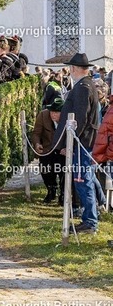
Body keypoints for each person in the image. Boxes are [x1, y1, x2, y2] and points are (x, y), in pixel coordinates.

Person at [53, 53, 104, 233]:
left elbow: (80, 119)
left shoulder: (83, 87)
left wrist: (71, 142)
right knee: (84, 179)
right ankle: (92, 215)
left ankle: (90, 221)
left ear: (74, 68)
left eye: (70, 68)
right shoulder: (85, 85)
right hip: (84, 141)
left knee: (83, 180)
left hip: (83, 141)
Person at [32, 97, 65, 204]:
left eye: (56, 112)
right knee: (45, 169)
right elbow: (36, 133)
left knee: (64, 171)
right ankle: (51, 190)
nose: (53, 115)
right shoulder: (43, 115)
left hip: (62, 150)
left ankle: (63, 193)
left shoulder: (69, 117)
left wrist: (67, 147)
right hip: (47, 149)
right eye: (52, 112)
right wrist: (37, 144)